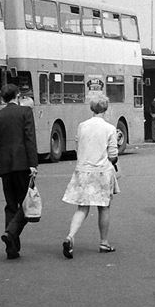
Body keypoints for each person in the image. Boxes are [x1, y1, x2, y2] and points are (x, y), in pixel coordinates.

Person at [0, 83, 38, 259]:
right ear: (17, 95)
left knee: (11, 205)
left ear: (3, 98)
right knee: (27, 204)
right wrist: (33, 164)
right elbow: (30, 139)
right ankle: (11, 232)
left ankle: (12, 249)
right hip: (23, 165)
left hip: (5, 167)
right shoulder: (25, 113)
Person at [61, 95, 119, 258]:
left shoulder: (82, 126)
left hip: (83, 170)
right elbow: (113, 154)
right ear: (106, 108)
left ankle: (70, 236)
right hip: (101, 171)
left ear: (92, 108)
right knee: (104, 207)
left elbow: (77, 146)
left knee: (82, 207)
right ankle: (104, 242)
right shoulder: (109, 128)